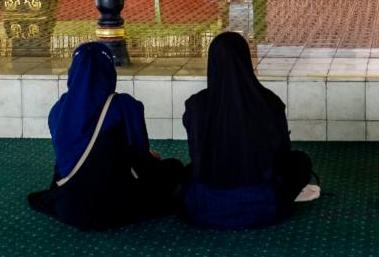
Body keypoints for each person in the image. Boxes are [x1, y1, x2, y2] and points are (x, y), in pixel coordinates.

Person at [27, 42, 184, 230]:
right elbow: (140, 153)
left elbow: (63, 158)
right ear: (108, 71)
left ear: (73, 71)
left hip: (73, 208)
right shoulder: (124, 105)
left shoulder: (58, 110)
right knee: (174, 167)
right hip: (119, 204)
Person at [182, 32, 316, 230]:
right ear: (246, 60)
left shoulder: (197, 105)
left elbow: (196, 152)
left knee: (184, 171)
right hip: (264, 203)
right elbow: (281, 153)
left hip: (207, 204)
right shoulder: (269, 101)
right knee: (300, 161)